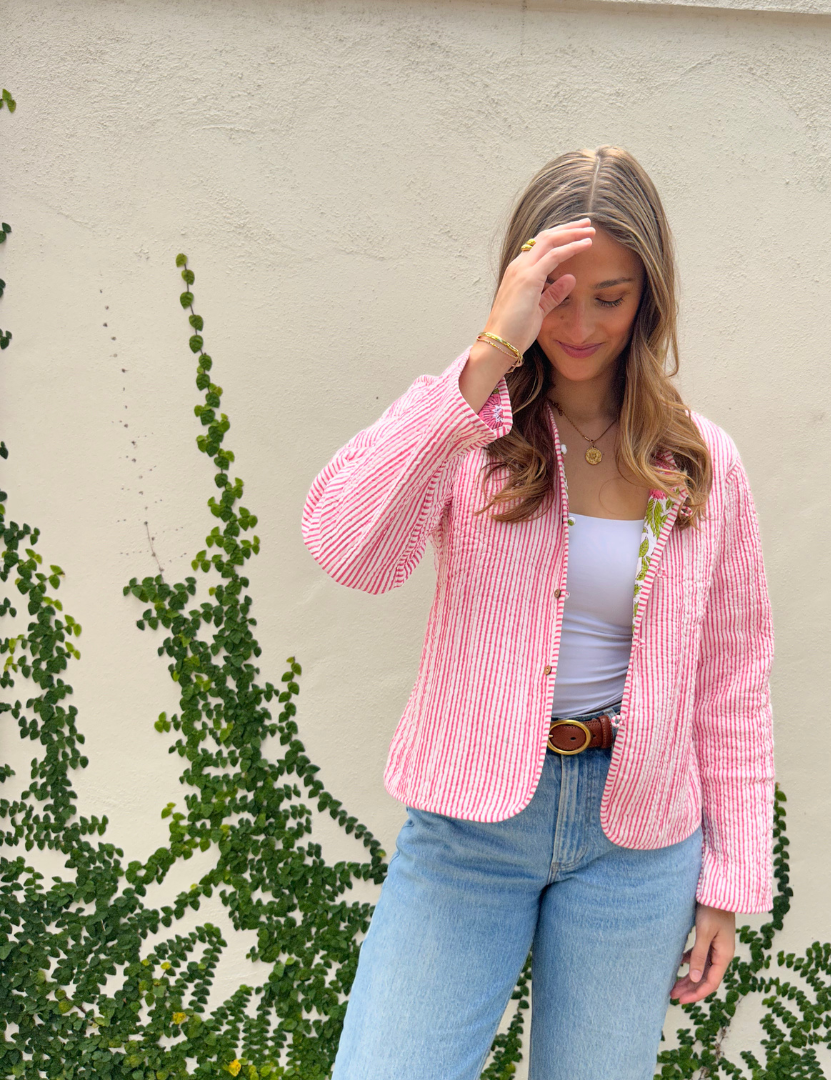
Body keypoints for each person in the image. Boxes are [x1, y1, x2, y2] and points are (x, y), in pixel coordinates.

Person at [301, 145, 774, 1080]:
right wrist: (485, 357)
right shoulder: (469, 432)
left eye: (613, 295)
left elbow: (733, 682)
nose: (584, 322)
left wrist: (729, 883)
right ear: (519, 280)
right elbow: (346, 548)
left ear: (650, 297)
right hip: (470, 827)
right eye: (557, 290)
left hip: (637, 842)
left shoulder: (700, 461)